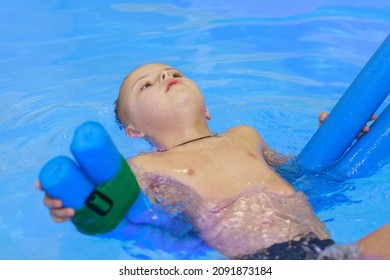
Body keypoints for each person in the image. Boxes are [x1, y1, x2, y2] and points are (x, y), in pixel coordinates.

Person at [36, 63, 390, 259]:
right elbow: (122, 208)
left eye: (173, 72)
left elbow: (304, 177)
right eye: (145, 86)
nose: (165, 76)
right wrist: (69, 203)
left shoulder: (245, 136)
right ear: (133, 130)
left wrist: (345, 139)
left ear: (206, 109)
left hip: (323, 247)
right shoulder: (143, 167)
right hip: (261, 261)